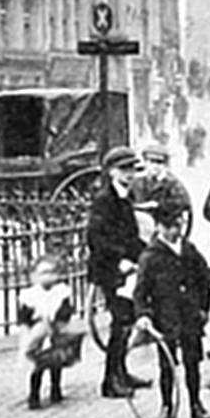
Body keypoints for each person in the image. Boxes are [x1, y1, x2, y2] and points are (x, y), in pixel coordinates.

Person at [133, 201, 210, 418]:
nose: (174, 231)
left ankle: (196, 404)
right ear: (158, 226)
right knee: (167, 365)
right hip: (165, 318)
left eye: (177, 225)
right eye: (168, 226)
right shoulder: (150, 256)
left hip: (190, 316)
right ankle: (167, 406)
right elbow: (140, 292)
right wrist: (144, 315)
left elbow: (204, 280)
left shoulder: (190, 251)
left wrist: (204, 309)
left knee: (193, 362)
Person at [87, 146, 151, 397]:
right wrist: (121, 259)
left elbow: (131, 237)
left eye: (132, 169)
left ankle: (122, 372)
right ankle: (110, 381)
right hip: (109, 270)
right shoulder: (105, 200)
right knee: (120, 321)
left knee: (127, 321)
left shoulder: (125, 197)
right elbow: (96, 238)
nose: (129, 174)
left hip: (124, 268)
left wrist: (148, 254)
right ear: (111, 172)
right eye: (124, 170)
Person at [17, 252, 80, 410]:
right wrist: (31, 327)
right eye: (43, 273)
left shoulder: (61, 292)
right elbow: (24, 317)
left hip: (56, 330)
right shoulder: (29, 295)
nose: (48, 277)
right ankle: (34, 394)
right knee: (38, 365)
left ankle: (56, 388)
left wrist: (59, 321)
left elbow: (66, 312)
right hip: (38, 333)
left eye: (52, 273)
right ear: (35, 276)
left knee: (56, 361)